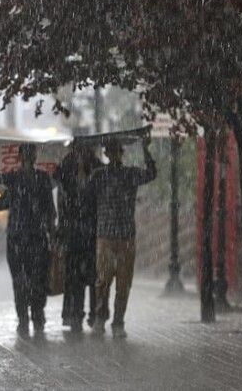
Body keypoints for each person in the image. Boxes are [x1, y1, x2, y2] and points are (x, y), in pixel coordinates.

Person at [87, 136, 156, 339]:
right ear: (107, 154)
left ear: (120, 153)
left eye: (117, 151)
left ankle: (118, 321)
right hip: (105, 235)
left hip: (126, 235)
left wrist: (146, 150)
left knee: (123, 283)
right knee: (103, 280)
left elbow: (151, 173)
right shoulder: (98, 175)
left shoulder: (130, 174)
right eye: (111, 151)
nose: (114, 155)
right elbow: (85, 193)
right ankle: (100, 318)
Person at [0, 143, 56, 336]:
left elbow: (49, 209)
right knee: (20, 281)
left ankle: (37, 315)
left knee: (38, 280)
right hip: (17, 238)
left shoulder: (42, 178)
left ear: (34, 157)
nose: (28, 157)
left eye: (30, 154)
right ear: (20, 156)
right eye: (25, 154)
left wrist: (53, 233)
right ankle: (23, 318)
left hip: (37, 237)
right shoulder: (13, 178)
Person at [54, 142, 103, 332]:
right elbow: (60, 191)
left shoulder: (96, 166)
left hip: (91, 230)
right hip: (73, 231)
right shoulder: (66, 166)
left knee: (92, 276)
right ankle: (75, 314)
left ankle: (93, 314)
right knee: (74, 276)